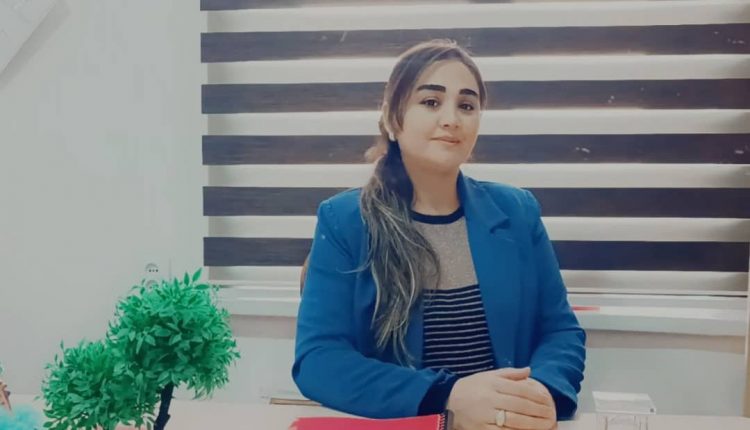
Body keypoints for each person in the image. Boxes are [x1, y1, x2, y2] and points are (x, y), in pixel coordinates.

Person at [292, 39, 586, 430]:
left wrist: (541, 394)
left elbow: (560, 331)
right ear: (392, 119)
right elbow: (319, 359)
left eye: (466, 106)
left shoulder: (517, 211)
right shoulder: (345, 220)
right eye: (431, 102)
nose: (451, 119)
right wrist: (448, 397)